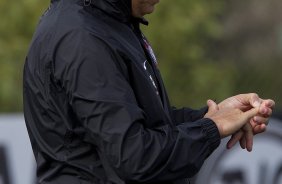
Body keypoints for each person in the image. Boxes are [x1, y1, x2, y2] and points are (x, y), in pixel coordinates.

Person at [23, 0, 275, 183]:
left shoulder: (110, 22)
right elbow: (134, 157)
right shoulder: (82, 38)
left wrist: (216, 116)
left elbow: (146, 122)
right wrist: (211, 128)